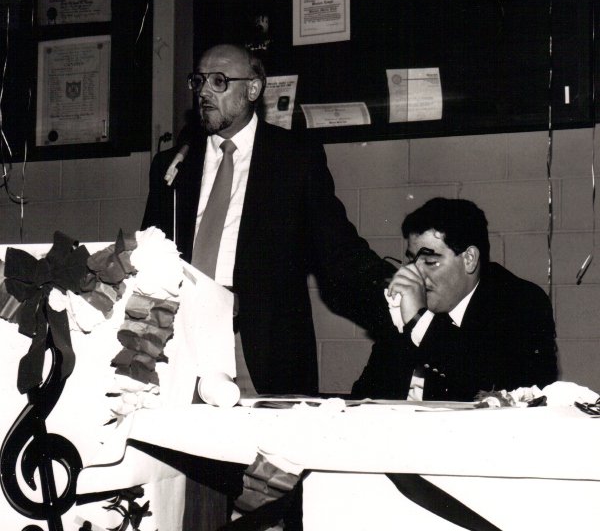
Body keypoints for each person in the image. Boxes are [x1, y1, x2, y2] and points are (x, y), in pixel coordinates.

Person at [141, 43, 395, 529]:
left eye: (220, 81)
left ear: (254, 89)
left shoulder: (294, 157)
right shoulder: (172, 165)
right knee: (185, 488)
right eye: (199, 81)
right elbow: (151, 253)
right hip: (182, 349)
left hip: (259, 350)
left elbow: (337, 251)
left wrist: (395, 295)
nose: (204, 92)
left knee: (267, 499)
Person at [352, 197, 559, 401]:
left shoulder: (521, 302)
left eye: (430, 262)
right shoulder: (406, 299)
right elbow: (366, 395)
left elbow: (504, 392)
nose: (415, 274)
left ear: (469, 259)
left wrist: (419, 321)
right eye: (411, 260)